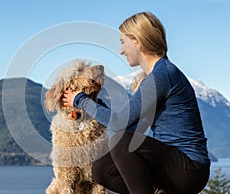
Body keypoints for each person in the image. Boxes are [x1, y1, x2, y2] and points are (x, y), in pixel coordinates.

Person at [62, 11, 210, 194]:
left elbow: (118, 123)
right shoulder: (158, 76)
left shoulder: (162, 76)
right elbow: (128, 124)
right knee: (102, 169)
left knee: (121, 142)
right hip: (173, 165)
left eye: (123, 42)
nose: (121, 50)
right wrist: (96, 105)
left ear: (137, 41)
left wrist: (80, 100)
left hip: (190, 169)